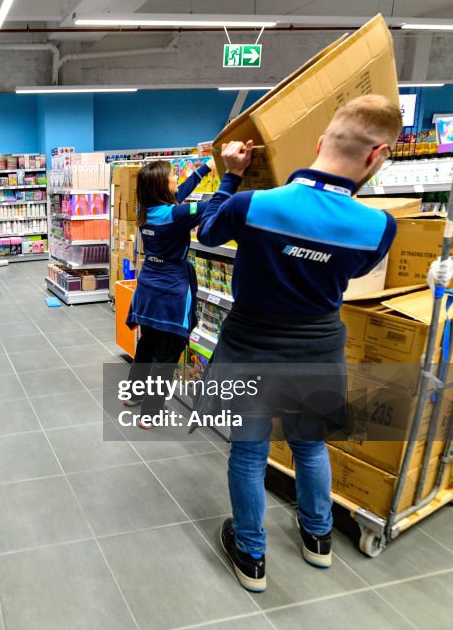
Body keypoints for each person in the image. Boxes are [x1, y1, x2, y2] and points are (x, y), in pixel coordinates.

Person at [196, 95, 402, 592]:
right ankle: (318, 540)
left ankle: (251, 557)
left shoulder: (255, 205)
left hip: (251, 341)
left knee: (248, 453)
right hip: (319, 343)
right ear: (376, 156)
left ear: (319, 143)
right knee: (310, 445)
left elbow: (205, 231)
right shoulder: (379, 226)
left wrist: (231, 175)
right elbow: (350, 274)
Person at [124, 157, 238, 429]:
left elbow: (178, 197)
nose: (177, 177)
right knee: (166, 353)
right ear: (163, 185)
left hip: (148, 289)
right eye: (173, 175)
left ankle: (134, 394)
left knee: (147, 343)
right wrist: (232, 178)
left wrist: (204, 170)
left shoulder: (146, 210)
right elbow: (213, 205)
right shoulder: (175, 216)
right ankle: (150, 412)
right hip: (171, 292)